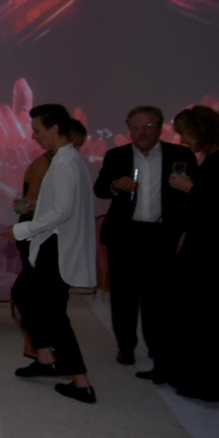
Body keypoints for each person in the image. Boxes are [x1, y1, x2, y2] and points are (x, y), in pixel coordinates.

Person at [93, 106, 197, 380]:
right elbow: (100, 188)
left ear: (160, 127)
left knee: (159, 297)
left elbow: (194, 197)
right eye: (136, 128)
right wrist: (116, 184)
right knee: (124, 295)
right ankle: (125, 347)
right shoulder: (118, 155)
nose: (142, 133)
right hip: (125, 235)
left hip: (163, 235)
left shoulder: (180, 155)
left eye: (148, 127)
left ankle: (157, 349)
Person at [3, 104, 97, 404]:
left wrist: (21, 230)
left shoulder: (66, 162)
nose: (34, 136)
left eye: (38, 130)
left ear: (55, 129)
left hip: (55, 248)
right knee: (23, 291)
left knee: (55, 315)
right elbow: (59, 207)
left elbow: (62, 211)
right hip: (51, 245)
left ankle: (81, 382)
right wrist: (35, 211)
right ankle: (45, 358)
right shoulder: (67, 160)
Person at [164, 105, 219, 401]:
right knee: (195, 316)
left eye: (186, 135)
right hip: (201, 247)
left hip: (209, 255)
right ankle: (193, 374)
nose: (184, 141)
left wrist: (191, 189)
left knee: (203, 318)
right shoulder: (210, 159)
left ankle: (204, 382)